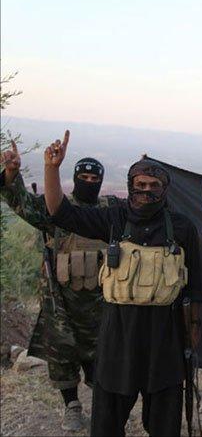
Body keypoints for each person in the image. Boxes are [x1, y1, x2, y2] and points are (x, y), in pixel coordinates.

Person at [42, 131, 202, 437]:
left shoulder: (182, 227)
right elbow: (61, 213)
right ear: (131, 186)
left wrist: (193, 327)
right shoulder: (114, 219)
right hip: (118, 335)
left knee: (164, 424)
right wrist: (52, 168)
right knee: (107, 423)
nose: (146, 191)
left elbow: (194, 285)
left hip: (165, 336)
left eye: (154, 186)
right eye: (140, 185)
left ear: (165, 189)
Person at [0, 140, 118, 431]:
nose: (88, 182)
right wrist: (11, 174)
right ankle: (72, 406)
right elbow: (23, 204)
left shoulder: (110, 211)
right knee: (62, 355)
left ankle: (103, 408)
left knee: (104, 357)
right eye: (83, 177)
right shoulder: (57, 208)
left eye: (94, 178)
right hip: (62, 302)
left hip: (103, 303)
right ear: (75, 178)